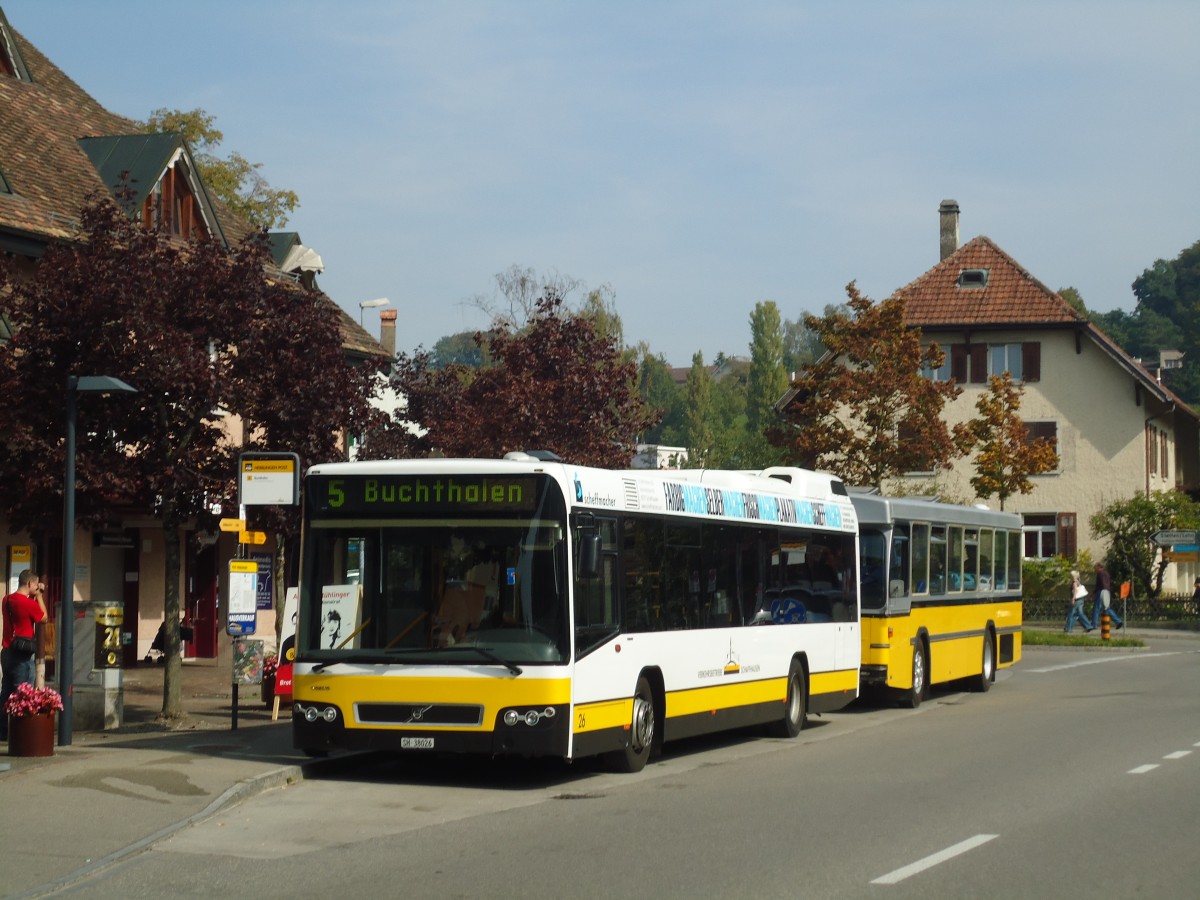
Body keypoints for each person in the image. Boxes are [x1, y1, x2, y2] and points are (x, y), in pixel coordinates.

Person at [1, 570, 49, 741]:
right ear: (29, 584)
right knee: (23, 693)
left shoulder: (6, 600)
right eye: (36, 584)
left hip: (6, 651)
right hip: (22, 654)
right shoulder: (29, 604)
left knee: (6, 692)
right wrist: (40, 596)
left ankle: (3, 731)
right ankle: (20, 733)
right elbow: (44, 618)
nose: (37, 587)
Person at [1092, 562, 1123, 630]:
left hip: (1101, 591)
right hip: (1107, 591)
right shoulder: (1107, 573)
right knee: (1106, 608)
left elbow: (1100, 584)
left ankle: (1094, 624)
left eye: (1095, 568)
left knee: (1096, 608)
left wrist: (1095, 592)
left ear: (1098, 567)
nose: (1094, 570)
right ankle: (1118, 621)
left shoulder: (1100, 573)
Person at [1064, 568, 1093, 633]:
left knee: (1071, 614)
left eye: (1070, 575)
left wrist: (1073, 599)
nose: (1070, 576)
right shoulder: (1078, 581)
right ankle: (1088, 626)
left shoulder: (1074, 582)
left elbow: (1075, 591)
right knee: (1080, 613)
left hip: (1076, 600)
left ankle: (1068, 628)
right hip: (1081, 600)